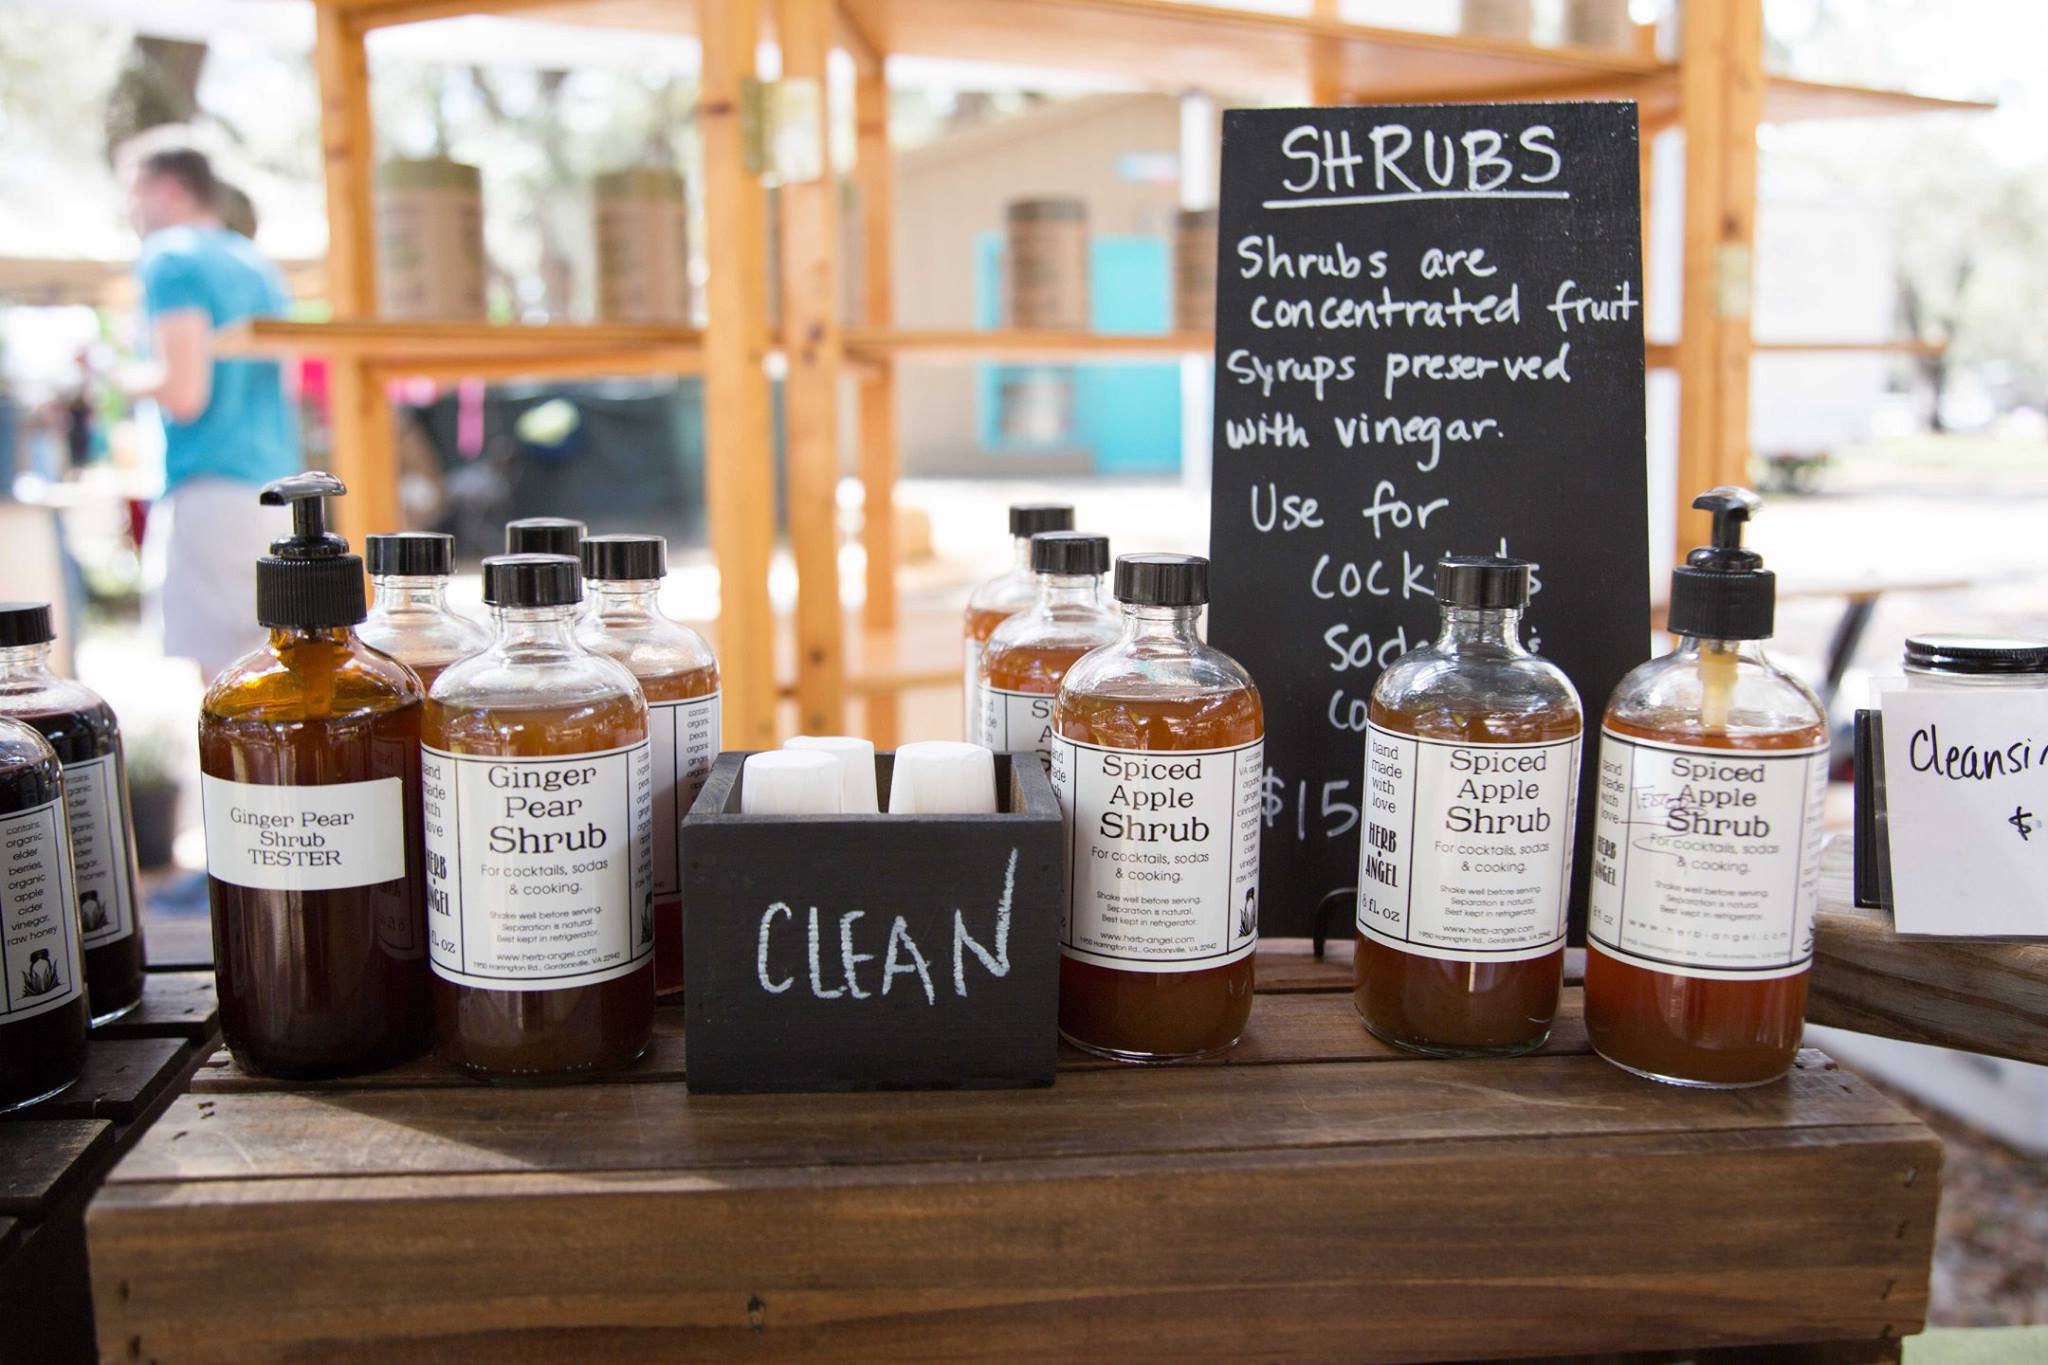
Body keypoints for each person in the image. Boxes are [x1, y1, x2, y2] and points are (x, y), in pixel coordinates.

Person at [127, 145, 298, 682]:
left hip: (211, 486)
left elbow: (184, 392)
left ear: (168, 189)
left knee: (228, 688)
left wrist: (121, 375)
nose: (130, 211)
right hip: (277, 489)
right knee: (279, 671)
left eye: (133, 194)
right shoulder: (257, 263)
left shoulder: (171, 256)